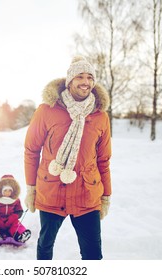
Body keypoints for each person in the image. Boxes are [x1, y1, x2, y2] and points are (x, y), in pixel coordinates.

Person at [24, 56, 112, 260]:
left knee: (93, 254)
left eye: (90, 77)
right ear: (70, 81)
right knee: (45, 247)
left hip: (87, 193)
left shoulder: (100, 116)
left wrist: (106, 196)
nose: (85, 82)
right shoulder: (47, 110)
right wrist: (31, 188)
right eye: (80, 76)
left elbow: (103, 160)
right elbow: (31, 150)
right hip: (52, 191)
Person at [0, 175, 31, 243]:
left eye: (10, 190)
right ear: (1, 190)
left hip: (10, 221)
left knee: (17, 224)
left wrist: (13, 217)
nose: (7, 193)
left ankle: (20, 235)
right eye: (5, 190)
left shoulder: (16, 200)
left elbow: (19, 211)